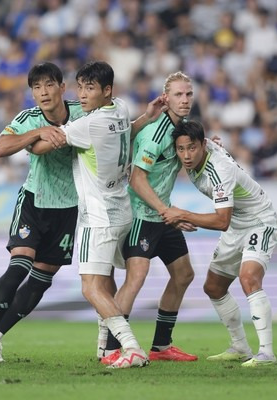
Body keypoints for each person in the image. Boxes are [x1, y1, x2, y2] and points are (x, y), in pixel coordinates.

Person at [33, 61, 154, 368]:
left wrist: (34, 133)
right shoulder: (122, 109)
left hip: (97, 217)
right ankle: (105, 349)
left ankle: (131, 347)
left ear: (107, 91)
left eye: (90, 88)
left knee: (90, 287)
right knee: (106, 281)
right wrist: (147, 116)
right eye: (80, 87)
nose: (82, 95)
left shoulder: (87, 125)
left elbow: (39, 148)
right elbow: (128, 132)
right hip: (120, 211)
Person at [0, 62, 85, 363]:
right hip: (34, 202)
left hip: (68, 207)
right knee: (19, 265)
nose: (43, 92)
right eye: (36, 87)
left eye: (49, 84)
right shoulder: (28, 118)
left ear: (63, 88)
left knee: (41, 278)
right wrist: (38, 132)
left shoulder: (82, 113)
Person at [161, 120, 277, 366]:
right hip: (237, 224)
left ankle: (266, 353)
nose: (186, 155)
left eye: (191, 148)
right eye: (181, 149)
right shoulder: (200, 155)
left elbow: (221, 220)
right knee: (214, 287)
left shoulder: (219, 170)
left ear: (202, 145)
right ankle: (240, 347)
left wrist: (182, 214)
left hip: (259, 221)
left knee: (249, 278)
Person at [101, 71, 198, 364]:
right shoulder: (156, 132)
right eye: (179, 95)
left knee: (184, 274)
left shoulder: (179, 130)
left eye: (189, 94)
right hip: (142, 215)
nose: (185, 100)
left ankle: (161, 346)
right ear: (166, 98)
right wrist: (166, 211)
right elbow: (137, 179)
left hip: (161, 214)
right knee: (136, 278)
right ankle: (111, 348)